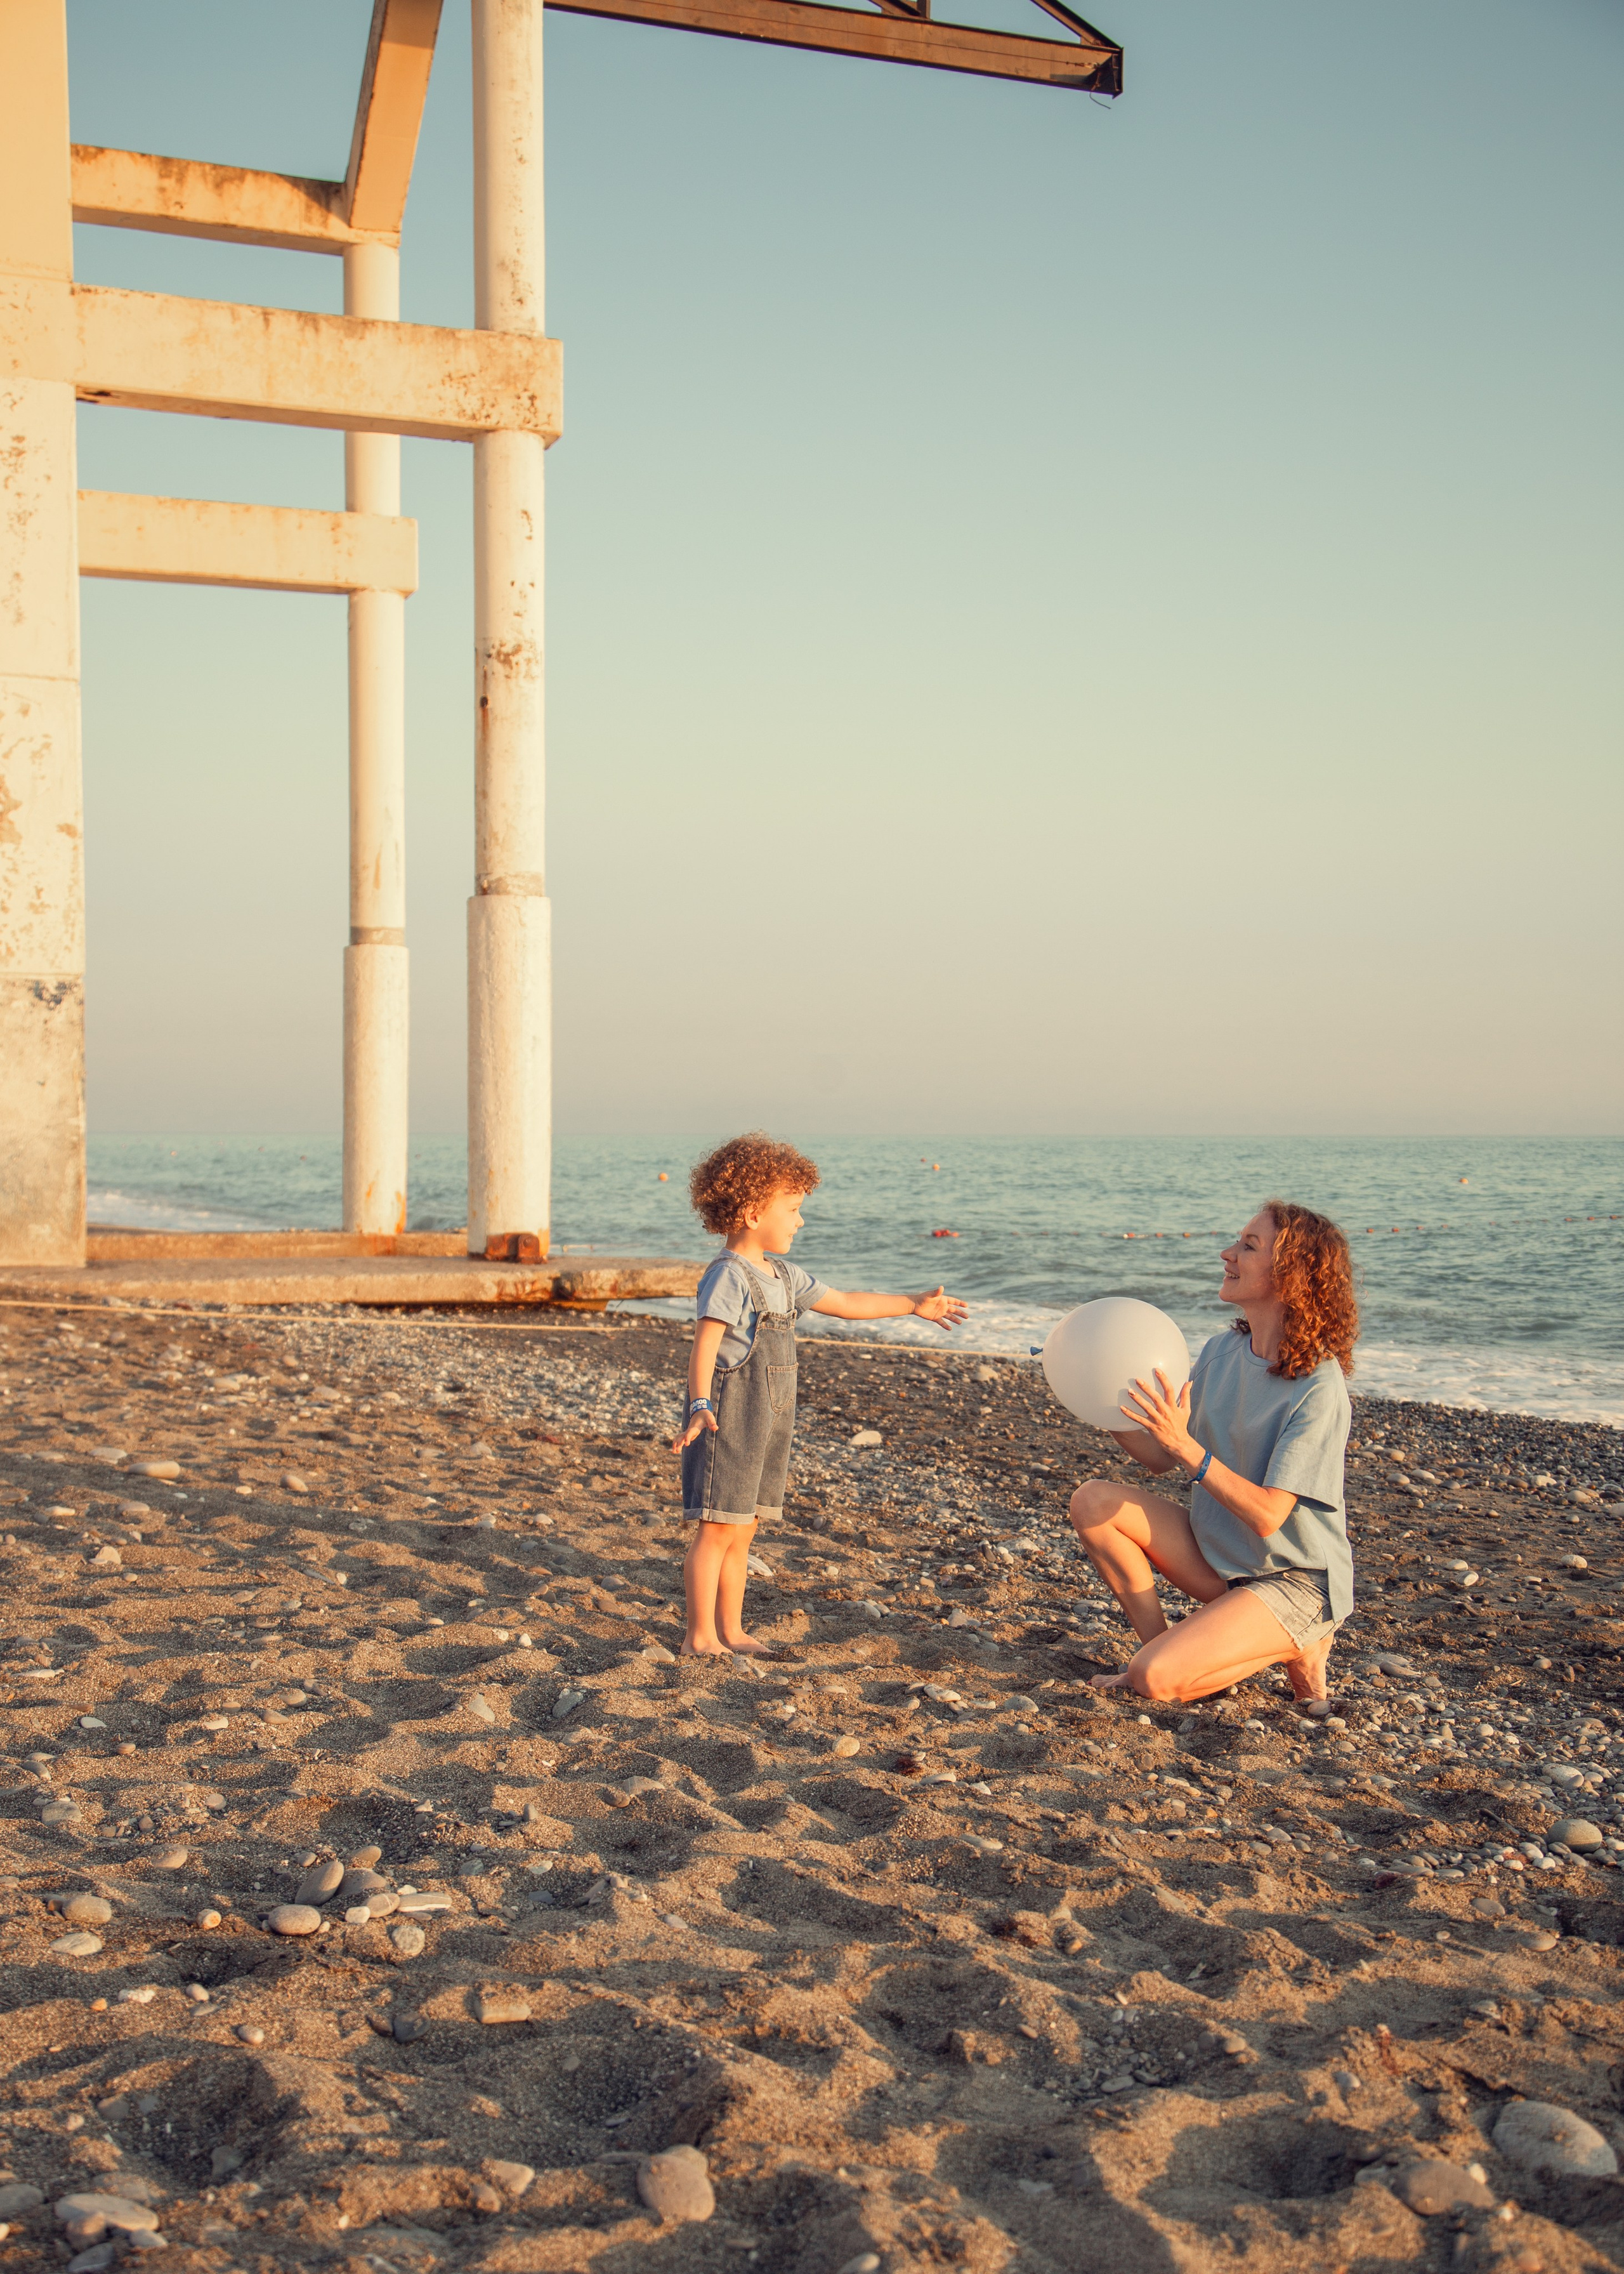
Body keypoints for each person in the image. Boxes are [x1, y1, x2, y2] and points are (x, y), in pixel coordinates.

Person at [671, 1133, 967, 1659]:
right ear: (751, 1211)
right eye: (792, 1208)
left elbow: (848, 1301)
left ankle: (733, 1631)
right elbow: (705, 1347)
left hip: (770, 1417)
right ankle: (700, 1636)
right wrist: (699, 1404)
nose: (800, 1220)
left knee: (744, 1530)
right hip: (728, 1417)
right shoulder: (728, 1276)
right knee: (716, 1529)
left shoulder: (784, 1275)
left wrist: (912, 1304)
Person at [1068, 1200, 1358, 1705]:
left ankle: (1302, 1638)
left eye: (1248, 1246)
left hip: (1293, 1579)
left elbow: (1269, 1516)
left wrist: (1186, 1447)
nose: (1228, 1253)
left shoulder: (1319, 1385)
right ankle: (1158, 1649)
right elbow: (1161, 1457)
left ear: (1292, 1272)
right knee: (1093, 1502)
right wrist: (1099, 1401)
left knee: (1155, 1681)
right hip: (1221, 1561)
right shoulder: (1220, 1352)